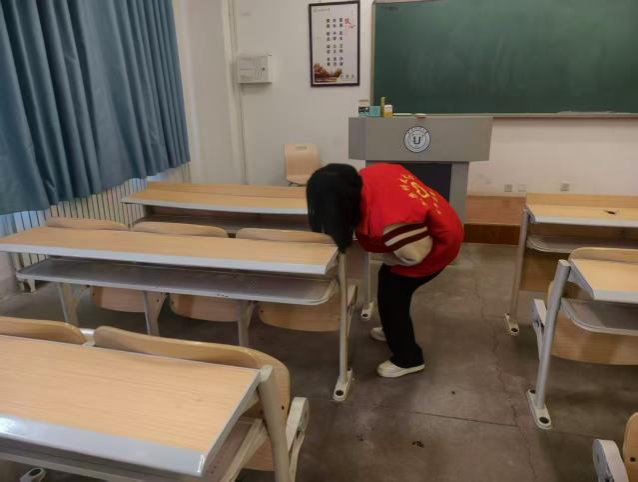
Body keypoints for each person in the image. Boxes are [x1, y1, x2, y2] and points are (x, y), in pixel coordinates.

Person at [306, 163, 463, 378]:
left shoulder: (391, 225)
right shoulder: (371, 174)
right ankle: (392, 330)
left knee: (393, 299)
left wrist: (390, 259)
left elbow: (415, 255)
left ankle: (409, 358)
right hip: (439, 219)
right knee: (388, 284)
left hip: (437, 246)